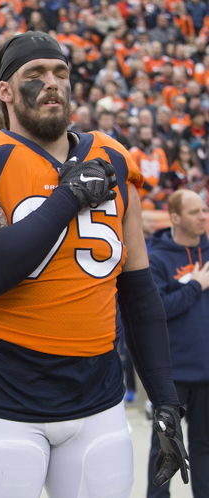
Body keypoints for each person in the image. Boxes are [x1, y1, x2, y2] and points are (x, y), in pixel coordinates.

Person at [0, 31, 189, 498]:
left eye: (61, 73)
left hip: (99, 394)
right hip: (5, 394)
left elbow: (137, 291)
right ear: (4, 90)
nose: (52, 83)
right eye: (36, 74)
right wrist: (67, 197)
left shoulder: (110, 156)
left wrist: (164, 394)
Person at [146, 189, 209, 498]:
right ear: (175, 217)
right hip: (170, 376)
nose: (203, 217)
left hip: (206, 373)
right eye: (195, 212)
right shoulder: (157, 258)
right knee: (165, 451)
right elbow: (156, 311)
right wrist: (195, 286)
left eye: (204, 210)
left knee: (205, 450)